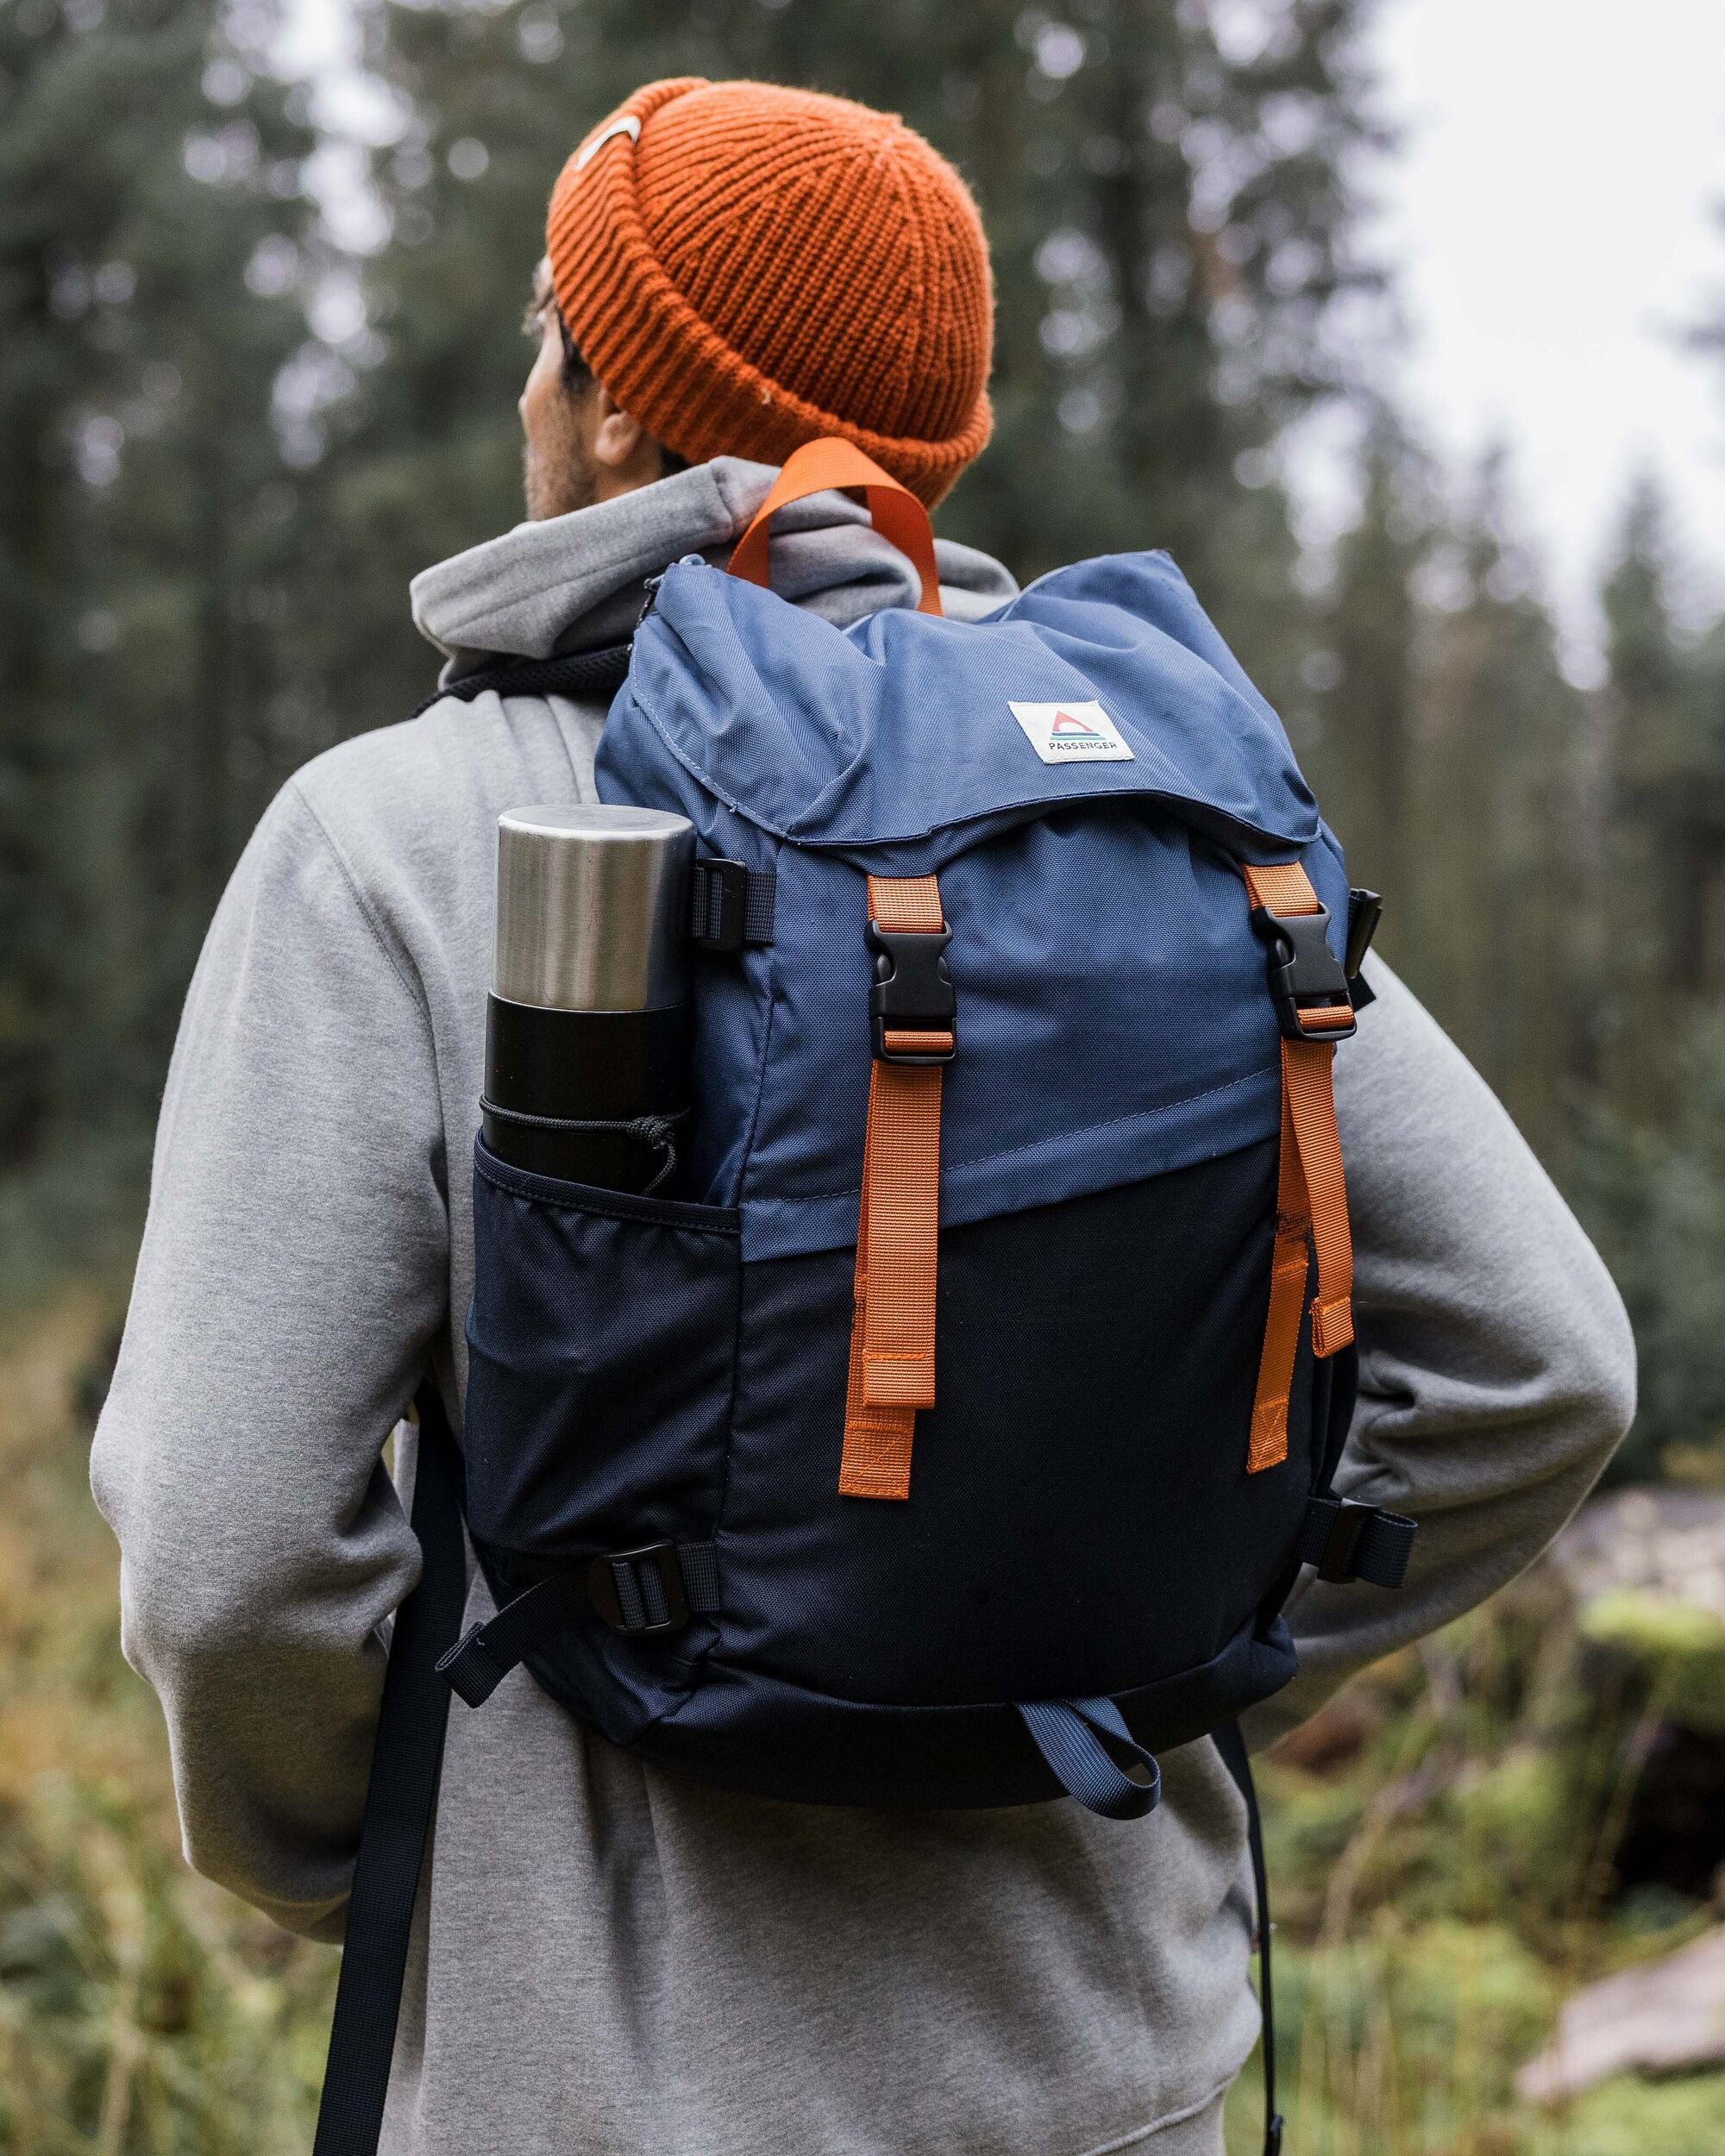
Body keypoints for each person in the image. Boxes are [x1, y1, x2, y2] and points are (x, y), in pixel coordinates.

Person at [91, 76, 1634, 2156]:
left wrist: (366, 1859)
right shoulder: (1154, 815)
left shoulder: (397, 835)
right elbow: (1544, 1367)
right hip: (1120, 2069)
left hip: (604, 2089)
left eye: (556, 329)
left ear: (623, 411)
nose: (531, 381)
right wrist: (1151, 1631)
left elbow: (225, 1550)